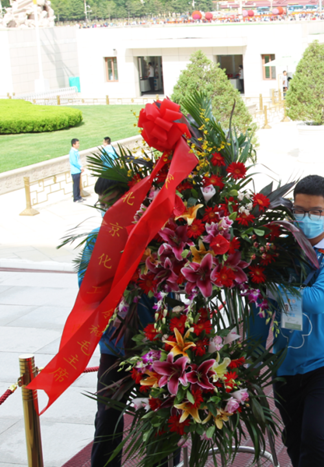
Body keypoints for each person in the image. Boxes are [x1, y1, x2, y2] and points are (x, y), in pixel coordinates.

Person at [249, 175, 324, 467]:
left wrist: (269, 286)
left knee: (318, 436)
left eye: (315, 212)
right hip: (287, 365)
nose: (306, 218)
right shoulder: (277, 253)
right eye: (299, 210)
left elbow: (317, 301)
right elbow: (259, 307)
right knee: (297, 442)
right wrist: (251, 358)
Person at [84, 178, 171, 466]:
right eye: (103, 206)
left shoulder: (157, 236)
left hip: (154, 344)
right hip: (114, 345)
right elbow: (87, 289)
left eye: (113, 203)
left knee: (159, 417)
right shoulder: (96, 240)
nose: (108, 211)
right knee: (107, 419)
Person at [69, 138, 84, 203]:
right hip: (75, 171)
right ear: (73, 144)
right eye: (77, 143)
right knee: (75, 185)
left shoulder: (76, 151)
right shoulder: (72, 152)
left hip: (78, 170)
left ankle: (79, 196)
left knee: (78, 184)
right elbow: (74, 162)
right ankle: (76, 198)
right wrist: (80, 167)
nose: (78, 144)